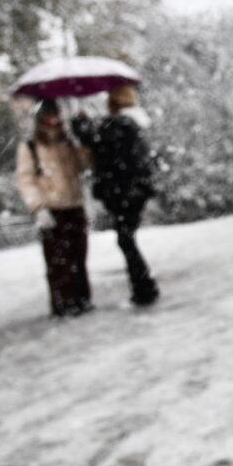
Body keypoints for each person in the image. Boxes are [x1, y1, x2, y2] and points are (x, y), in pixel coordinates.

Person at [72, 84, 160, 307]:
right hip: (131, 190)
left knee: (125, 239)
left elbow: (95, 141)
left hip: (125, 192)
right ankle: (142, 285)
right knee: (125, 238)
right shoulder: (131, 123)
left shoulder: (120, 124)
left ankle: (144, 287)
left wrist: (80, 123)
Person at [16, 100, 93, 317]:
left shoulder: (69, 141)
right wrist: (38, 207)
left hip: (74, 205)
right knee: (57, 262)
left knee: (78, 257)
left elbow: (86, 164)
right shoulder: (31, 147)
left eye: (56, 115)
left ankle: (81, 299)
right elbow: (26, 179)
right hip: (51, 208)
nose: (54, 120)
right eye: (49, 116)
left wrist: (82, 136)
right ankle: (62, 303)